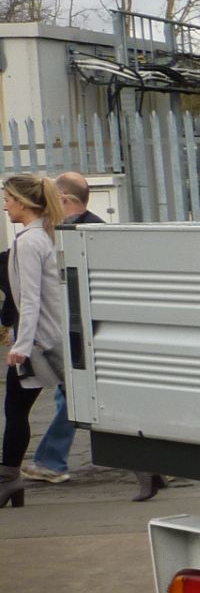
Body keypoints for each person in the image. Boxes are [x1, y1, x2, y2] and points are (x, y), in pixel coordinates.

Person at [18, 172, 101, 485]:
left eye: (52, 196)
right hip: (68, 329)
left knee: (76, 398)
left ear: (65, 199)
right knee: (69, 398)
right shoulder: (61, 230)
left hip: (78, 330)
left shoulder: (84, 231)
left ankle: (49, 460)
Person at [2, 174, 68, 508]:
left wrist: (21, 346)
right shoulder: (44, 234)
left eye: (8, 198)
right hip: (53, 339)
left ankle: (10, 480)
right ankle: (144, 469)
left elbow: (29, 299)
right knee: (82, 409)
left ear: (24, 202)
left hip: (40, 344)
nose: (5, 204)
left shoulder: (28, 241)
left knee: (15, 409)